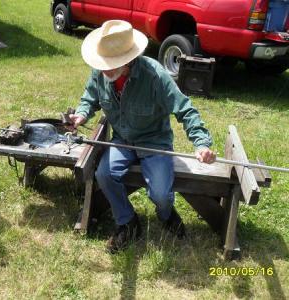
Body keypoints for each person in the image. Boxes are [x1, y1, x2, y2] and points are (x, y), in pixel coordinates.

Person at [69, 20, 216, 253]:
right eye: (103, 63)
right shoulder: (100, 73)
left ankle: (166, 214)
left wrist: (201, 143)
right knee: (104, 175)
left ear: (128, 59)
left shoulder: (155, 75)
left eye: (111, 64)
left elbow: (185, 109)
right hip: (122, 139)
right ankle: (127, 222)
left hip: (154, 141)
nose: (104, 69)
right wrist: (81, 115)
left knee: (160, 194)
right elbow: (90, 97)